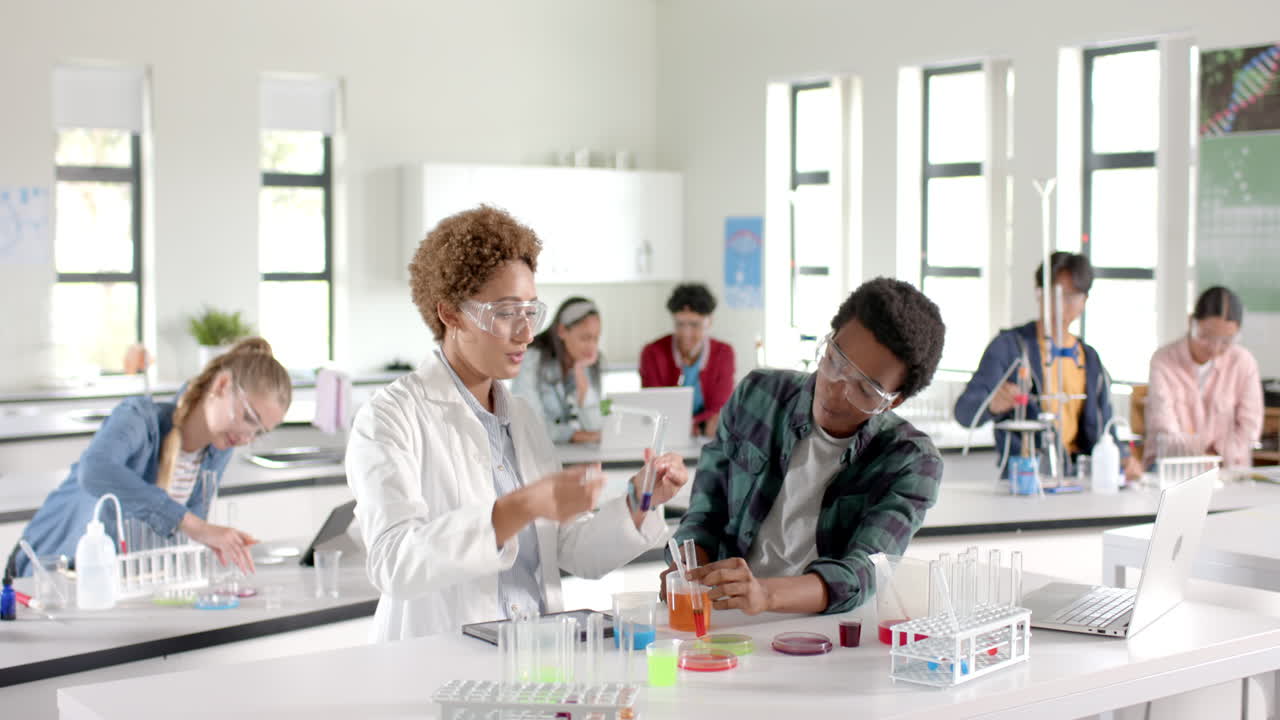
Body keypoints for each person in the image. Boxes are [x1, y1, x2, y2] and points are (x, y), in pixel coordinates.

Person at [346, 205, 689, 642]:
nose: (525, 333)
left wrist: (639, 502)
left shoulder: (521, 418)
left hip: (537, 656)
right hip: (440, 662)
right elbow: (393, 563)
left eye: (531, 312)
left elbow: (569, 551)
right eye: (506, 312)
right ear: (450, 313)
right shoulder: (391, 416)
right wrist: (517, 508)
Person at [662, 277, 945, 615]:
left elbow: (863, 572)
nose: (836, 389)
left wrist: (764, 595)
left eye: (865, 389)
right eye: (835, 361)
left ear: (892, 402)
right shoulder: (757, 394)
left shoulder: (911, 461)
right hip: (725, 615)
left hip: (823, 631)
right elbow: (705, 513)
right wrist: (691, 570)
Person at [8, 338, 290, 578]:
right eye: (248, 418)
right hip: (48, 572)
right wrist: (197, 527)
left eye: (258, 432)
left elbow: (175, 532)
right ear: (222, 385)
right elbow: (94, 471)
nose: (245, 437)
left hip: (116, 582)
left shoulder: (217, 449)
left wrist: (207, 541)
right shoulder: (139, 419)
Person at [954, 251, 1141, 482]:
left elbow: (1105, 431)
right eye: (1053, 294)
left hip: (1081, 482)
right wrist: (992, 404)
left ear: (1084, 302)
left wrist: (1123, 458)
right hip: (1026, 479)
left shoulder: (1090, 359)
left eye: (1070, 296)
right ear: (1038, 294)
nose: (1060, 305)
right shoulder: (1010, 348)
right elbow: (964, 412)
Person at [1146, 286, 1263, 469]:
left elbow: (1249, 427)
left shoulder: (1243, 363)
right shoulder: (1164, 360)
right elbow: (1164, 425)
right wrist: (1197, 458)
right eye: (1206, 337)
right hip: (1174, 466)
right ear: (1191, 322)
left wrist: (1216, 456)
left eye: (1226, 341)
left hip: (1227, 468)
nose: (1215, 348)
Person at [639, 283, 736, 438]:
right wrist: (698, 426)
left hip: (706, 438)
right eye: (680, 324)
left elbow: (719, 409)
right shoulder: (652, 353)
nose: (686, 333)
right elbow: (654, 406)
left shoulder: (723, 354)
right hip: (665, 436)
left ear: (709, 321)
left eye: (694, 325)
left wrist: (691, 426)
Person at [511, 296, 604, 444]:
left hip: (570, 453)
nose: (592, 347)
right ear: (562, 331)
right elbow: (528, 423)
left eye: (596, 339)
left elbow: (595, 427)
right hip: (535, 454)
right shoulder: (532, 358)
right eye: (585, 338)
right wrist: (573, 436)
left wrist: (583, 384)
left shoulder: (588, 364)